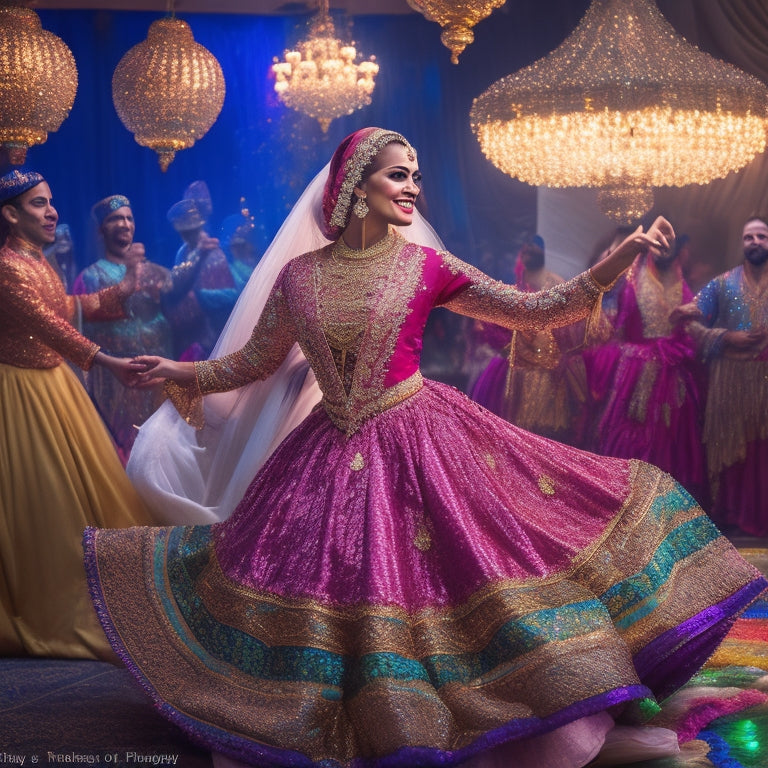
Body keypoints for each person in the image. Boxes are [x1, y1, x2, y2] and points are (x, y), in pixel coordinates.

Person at [84, 129, 766, 768]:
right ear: (354, 185)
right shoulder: (300, 279)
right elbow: (255, 362)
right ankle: (350, 711)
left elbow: (533, 310)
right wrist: (183, 374)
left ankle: (510, 698)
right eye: (398, 175)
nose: (412, 188)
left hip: (424, 441)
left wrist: (622, 255)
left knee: (475, 572)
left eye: (417, 177)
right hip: (324, 457)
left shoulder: (425, 266)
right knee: (316, 591)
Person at [0, 170, 153, 661]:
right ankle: (48, 603)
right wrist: (107, 360)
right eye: (40, 205)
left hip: (54, 384)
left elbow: (68, 306)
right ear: (10, 213)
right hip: (21, 392)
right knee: (43, 500)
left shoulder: (36, 261)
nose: (52, 213)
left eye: (52, 203)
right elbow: (49, 326)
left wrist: (127, 284)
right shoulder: (7, 266)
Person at [582, 237, 709, 506]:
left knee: (673, 435)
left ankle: (667, 504)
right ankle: (631, 502)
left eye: (668, 244)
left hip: (673, 372)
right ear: (647, 246)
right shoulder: (631, 282)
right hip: (636, 371)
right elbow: (618, 327)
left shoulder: (680, 282)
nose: (663, 249)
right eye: (657, 243)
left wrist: (684, 337)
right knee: (633, 432)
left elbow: (686, 327)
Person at [677, 215, 768, 536]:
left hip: (765, 378)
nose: (755, 242)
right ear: (741, 244)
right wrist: (725, 337)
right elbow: (689, 320)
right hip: (729, 378)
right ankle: (731, 519)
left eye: (761, 236)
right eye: (749, 237)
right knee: (730, 446)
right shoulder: (722, 283)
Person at [72, 195, 174, 463]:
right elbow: (83, 328)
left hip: (158, 373)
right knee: (124, 455)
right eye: (115, 218)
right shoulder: (90, 277)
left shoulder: (155, 272)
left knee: (163, 451)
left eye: (129, 218)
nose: (124, 223)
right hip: (115, 382)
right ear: (101, 229)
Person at [470, 236, 587, 444]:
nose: (528, 250)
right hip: (512, 372)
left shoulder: (557, 284)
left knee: (547, 436)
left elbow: (572, 331)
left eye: (534, 245)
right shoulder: (513, 284)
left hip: (549, 373)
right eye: (525, 246)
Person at [164, 181, 237, 360]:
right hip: (192, 331)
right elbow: (176, 285)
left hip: (214, 328)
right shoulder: (184, 252)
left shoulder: (213, 251)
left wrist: (199, 297)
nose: (188, 235)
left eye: (191, 230)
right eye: (185, 232)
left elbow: (231, 294)